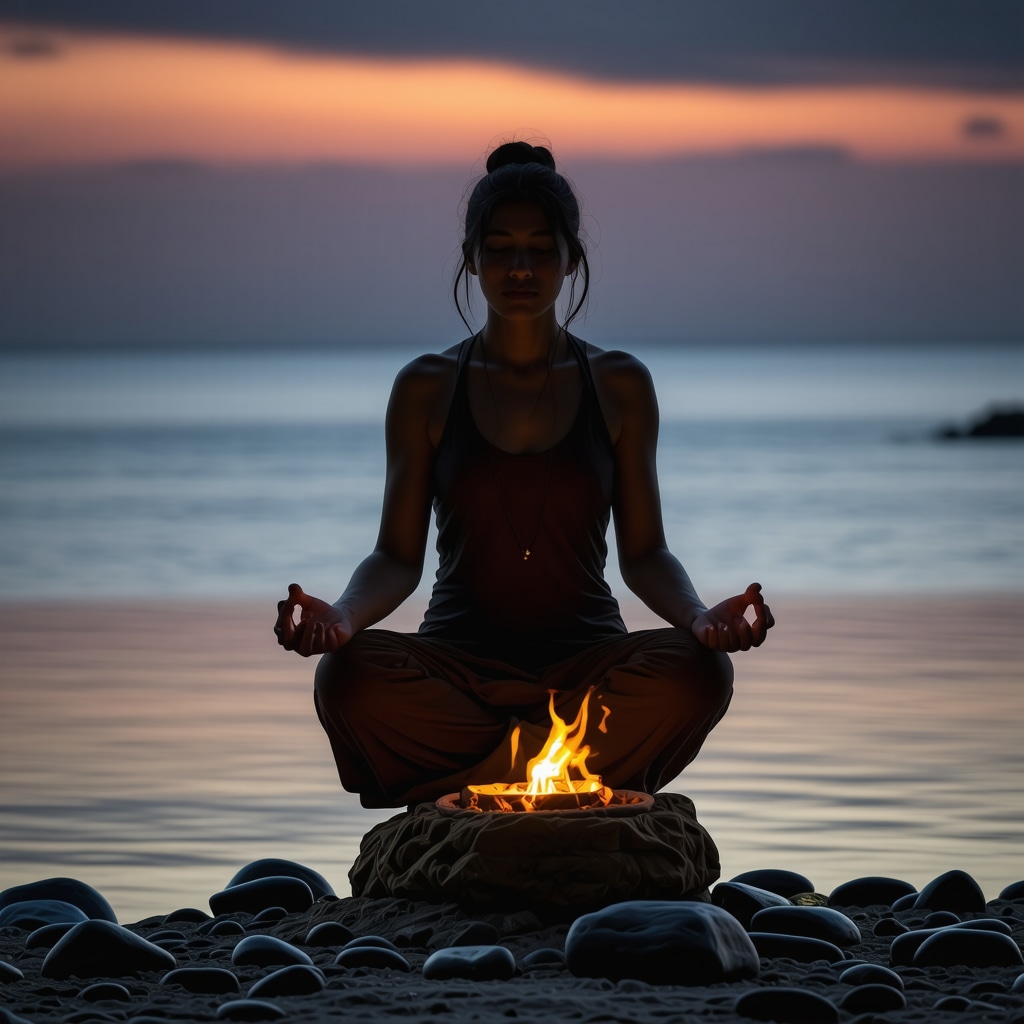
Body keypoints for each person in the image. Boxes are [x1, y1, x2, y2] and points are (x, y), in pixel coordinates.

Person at [275, 140, 774, 809]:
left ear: (572, 259)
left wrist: (698, 618)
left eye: (541, 248)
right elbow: (396, 558)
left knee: (699, 674)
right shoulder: (426, 387)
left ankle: (475, 782)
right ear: (471, 258)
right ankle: (556, 774)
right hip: (458, 668)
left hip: (586, 666)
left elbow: (646, 553)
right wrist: (340, 618)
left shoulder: (620, 384)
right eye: (500, 247)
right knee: (346, 678)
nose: (520, 267)